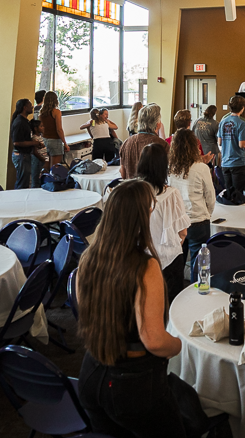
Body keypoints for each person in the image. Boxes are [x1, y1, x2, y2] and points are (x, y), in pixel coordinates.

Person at [75, 180, 191, 437]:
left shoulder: (87, 260)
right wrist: (180, 345)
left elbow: (87, 315)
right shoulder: (144, 267)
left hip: (91, 372)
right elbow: (153, 340)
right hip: (133, 385)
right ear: (139, 218)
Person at [134, 143, 190, 302]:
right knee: (172, 307)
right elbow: (183, 232)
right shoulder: (172, 194)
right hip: (170, 258)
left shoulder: (133, 194)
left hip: (141, 260)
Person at [169, 129, 215, 284]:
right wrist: (207, 214)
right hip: (198, 220)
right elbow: (210, 196)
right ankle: (198, 294)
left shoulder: (170, 169)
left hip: (177, 221)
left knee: (176, 261)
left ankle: (175, 293)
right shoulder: (201, 168)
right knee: (199, 263)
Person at [217, 95, 245, 202]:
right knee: (238, 195)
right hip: (237, 162)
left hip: (225, 162)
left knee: (229, 193)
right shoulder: (242, 123)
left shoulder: (223, 121)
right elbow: (242, 145)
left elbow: (219, 142)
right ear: (243, 108)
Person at [120, 104, 166, 180]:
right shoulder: (162, 144)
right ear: (158, 125)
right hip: (152, 190)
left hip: (130, 189)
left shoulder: (126, 143)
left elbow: (123, 174)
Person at [9, 99, 36, 189]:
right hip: (21, 155)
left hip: (25, 155)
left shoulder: (25, 121)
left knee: (24, 181)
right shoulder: (19, 122)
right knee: (22, 183)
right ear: (25, 107)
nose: (32, 106)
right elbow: (16, 142)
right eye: (30, 105)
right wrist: (33, 143)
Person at [39, 91, 68, 167]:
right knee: (55, 168)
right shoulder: (56, 112)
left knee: (46, 167)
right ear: (55, 100)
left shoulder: (41, 112)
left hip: (44, 139)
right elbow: (59, 129)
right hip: (55, 140)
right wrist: (65, 143)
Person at [28, 120, 48, 187]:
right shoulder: (34, 138)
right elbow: (35, 152)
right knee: (35, 178)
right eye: (41, 126)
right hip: (38, 160)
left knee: (41, 177)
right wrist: (42, 159)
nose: (43, 127)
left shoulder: (40, 136)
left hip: (42, 159)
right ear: (35, 128)